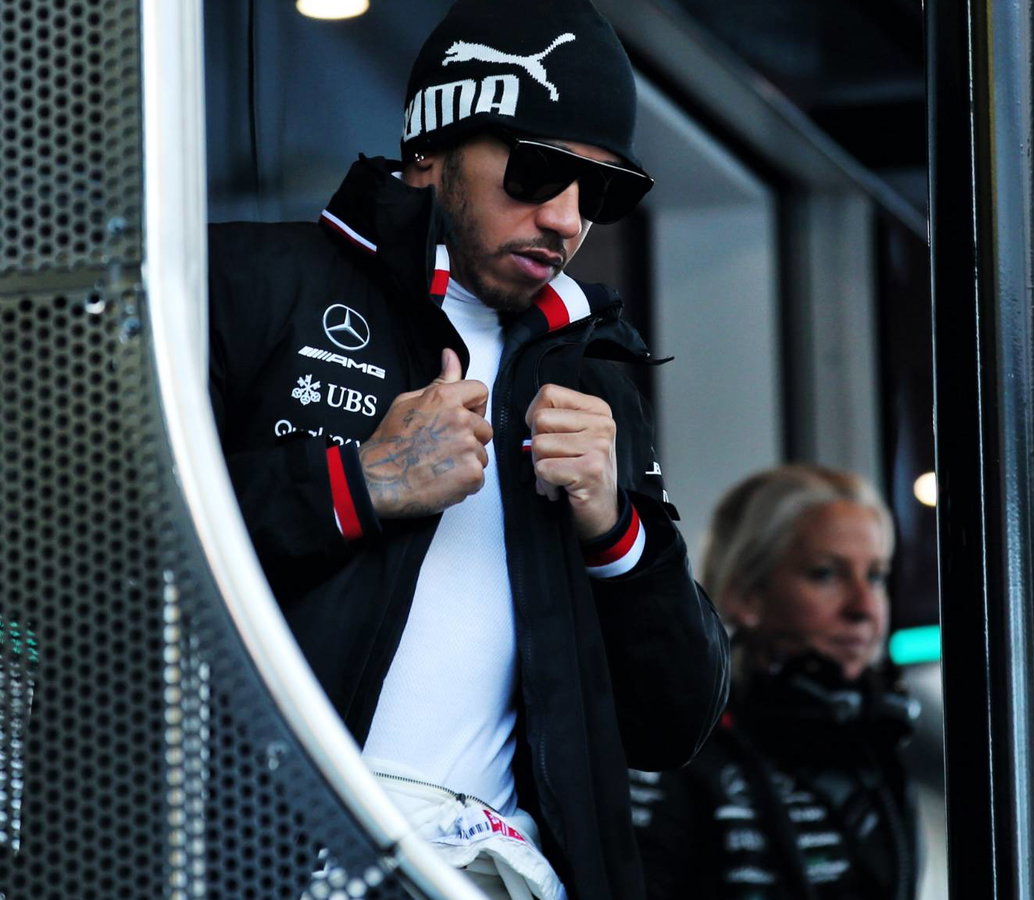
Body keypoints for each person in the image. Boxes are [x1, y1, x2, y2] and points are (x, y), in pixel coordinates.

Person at [206, 2, 729, 898]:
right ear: (429, 152)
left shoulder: (595, 382)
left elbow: (673, 722)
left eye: (599, 192)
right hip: (273, 846)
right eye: (537, 171)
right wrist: (358, 485)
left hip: (501, 868)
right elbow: (85, 552)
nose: (565, 218)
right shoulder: (247, 283)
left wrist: (618, 536)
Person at [629, 465, 920, 900]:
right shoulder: (678, 747)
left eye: (875, 576)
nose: (864, 607)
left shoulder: (877, 747)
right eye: (826, 573)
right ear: (745, 595)